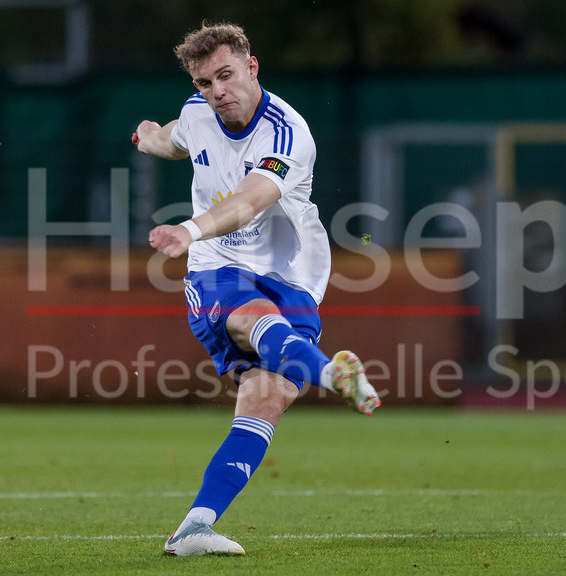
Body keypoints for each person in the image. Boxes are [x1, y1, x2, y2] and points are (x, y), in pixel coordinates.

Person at [131, 21, 380, 557]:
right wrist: (148, 137)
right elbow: (174, 138)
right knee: (251, 317)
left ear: (251, 67)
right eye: (204, 83)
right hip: (216, 267)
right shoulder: (198, 113)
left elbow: (248, 201)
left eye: (225, 76)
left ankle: (194, 529)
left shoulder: (286, 133)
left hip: (292, 273)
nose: (217, 91)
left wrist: (188, 228)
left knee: (268, 397)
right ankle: (332, 374)